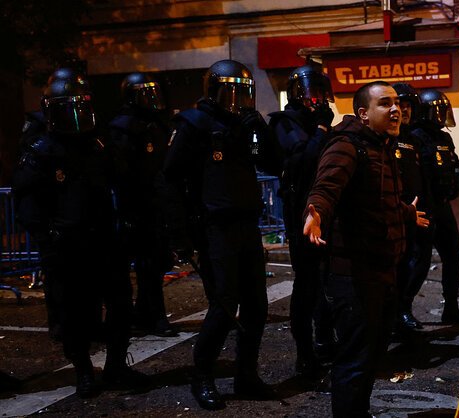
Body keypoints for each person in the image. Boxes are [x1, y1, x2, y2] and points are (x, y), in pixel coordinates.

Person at [13, 68, 149, 398]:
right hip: (67, 246)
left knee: (119, 305)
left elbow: (121, 179)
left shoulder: (97, 141)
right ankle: (84, 371)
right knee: (73, 313)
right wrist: (49, 237)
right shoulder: (41, 147)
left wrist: (129, 220)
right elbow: (27, 201)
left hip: (103, 238)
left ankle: (116, 365)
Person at [162, 59, 284, 410]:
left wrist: (258, 128)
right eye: (229, 92)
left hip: (246, 224)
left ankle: (247, 375)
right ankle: (202, 376)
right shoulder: (194, 124)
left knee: (257, 307)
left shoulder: (245, 126)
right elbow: (170, 180)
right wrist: (178, 235)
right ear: (212, 91)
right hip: (213, 226)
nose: (236, 100)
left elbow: (271, 164)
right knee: (224, 305)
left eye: (243, 93)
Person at [302, 81, 428, 417]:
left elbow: (374, 202)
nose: (396, 109)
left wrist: (406, 212)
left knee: (371, 357)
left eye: (397, 103)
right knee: (354, 362)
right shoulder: (347, 146)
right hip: (353, 276)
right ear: (363, 113)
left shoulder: (383, 145)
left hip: (382, 270)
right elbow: (326, 188)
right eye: (385, 103)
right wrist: (315, 213)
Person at [268, 64, 335, 378]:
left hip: (328, 211)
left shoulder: (321, 122)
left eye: (321, 92)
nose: (316, 99)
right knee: (307, 285)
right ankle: (305, 356)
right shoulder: (285, 122)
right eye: (311, 92)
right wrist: (321, 131)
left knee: (328, 283)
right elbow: (304, 161)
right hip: (301, 213)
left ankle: (326, 342)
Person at [108, 72, 177, 337]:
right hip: (136, 206)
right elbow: (123, 171)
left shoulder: (156, 124)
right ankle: (155, 318)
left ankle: (144, 312)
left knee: (157, 262)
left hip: (157, 204)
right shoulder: (123, 127)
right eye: (145, 94)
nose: (151, 100)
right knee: (146, 265)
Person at [407, 89, 459, 325]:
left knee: (453, 258)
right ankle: (403, 311)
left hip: (443, 206)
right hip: (424, 207)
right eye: (437, 110)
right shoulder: (414, 136)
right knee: (420, 262)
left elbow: (453, 166)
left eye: (443, 110)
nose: (441, 115)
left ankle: (451, 308)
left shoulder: (444, 138)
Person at [390, 82, 427, 331]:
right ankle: (395, 316)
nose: (405, 111)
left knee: (420, 262)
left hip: (417, 212)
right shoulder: (386, 138)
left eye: (408, 107)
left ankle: (404, 307)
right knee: (397, 266)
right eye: (400, 106)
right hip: (395, 213)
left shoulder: (414, 139)